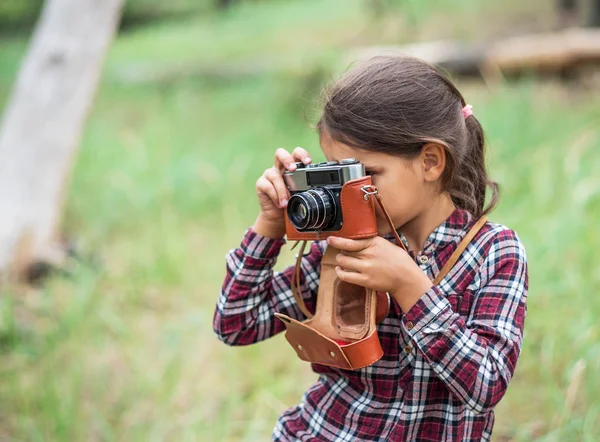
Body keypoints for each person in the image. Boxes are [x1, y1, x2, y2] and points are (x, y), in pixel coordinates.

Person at [213, 55, 528, 441]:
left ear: (430, 161)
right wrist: (270, 225)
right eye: (338, 173)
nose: (349, 192)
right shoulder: (342, 244)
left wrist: (410, 287)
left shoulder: (494, 253)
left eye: (367, 174)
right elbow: (236, 324)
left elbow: (486, 386)